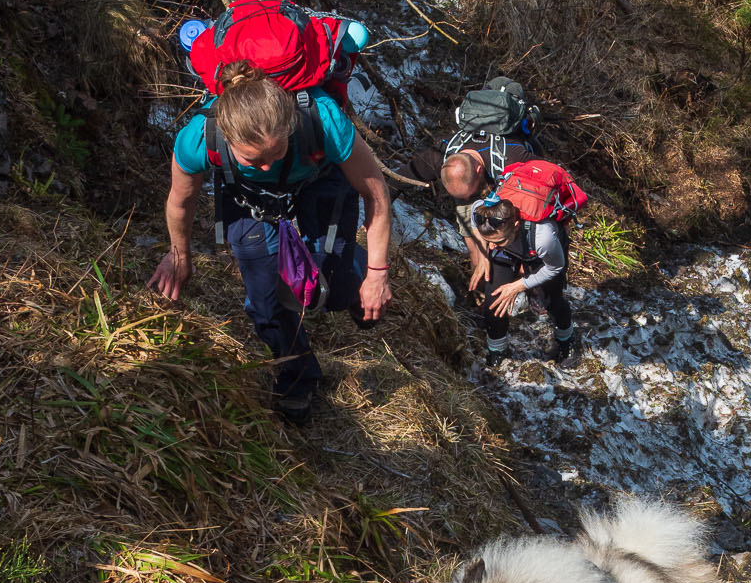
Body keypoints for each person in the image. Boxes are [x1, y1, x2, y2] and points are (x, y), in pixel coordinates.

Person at [148, 61, 392, 422]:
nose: (265, 166)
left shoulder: (323, 118)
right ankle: (299, 378)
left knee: (331, 291)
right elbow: (180, 201)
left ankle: (349, 270)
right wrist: (178, 255)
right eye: (253, 158)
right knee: (264, 301)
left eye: (275, 153)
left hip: (318, 179)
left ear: (290, 124)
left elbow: (376, 194)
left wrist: (377, 273)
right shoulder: (199, 138)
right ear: (227, 138)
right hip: (245, 197)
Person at [472, 195, 581, 364]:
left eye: (497, 241)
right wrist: (483, 254)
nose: (492, 246)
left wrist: (519, 285)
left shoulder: (543, 236)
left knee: (550, 300)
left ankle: (567, 340)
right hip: (509, 250)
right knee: (494, 299)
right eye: (489, 241)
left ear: (515, 226)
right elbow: (474, 218)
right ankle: (497, 349)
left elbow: (555, 267)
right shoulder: (481, 212)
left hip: (540, 255)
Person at [440, 143, 531, 295]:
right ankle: (480, 290)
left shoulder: (512, 155)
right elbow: (473, 214)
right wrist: (482, 255)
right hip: (481, 192)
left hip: (514, 192)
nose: (493, 246)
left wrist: (522, 282)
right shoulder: (441, 155)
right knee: (479, 252)